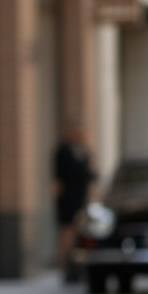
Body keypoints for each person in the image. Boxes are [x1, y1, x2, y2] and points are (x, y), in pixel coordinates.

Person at [54, 117, 97, 273]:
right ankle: (63, 265)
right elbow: (57, 180)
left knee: (81, 231)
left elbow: (91, 176)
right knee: (67, 231)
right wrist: (60, 200)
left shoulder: (85, 152)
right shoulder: (63, 151)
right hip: (67, 199)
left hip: (82, 198)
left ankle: (77, 265)